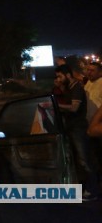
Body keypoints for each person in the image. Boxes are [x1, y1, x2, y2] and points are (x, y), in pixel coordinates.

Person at [55, 64, 100, 201]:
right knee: (80, 160)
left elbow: (74, 108)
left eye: (60, 76)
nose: (58, 79)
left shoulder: (77, 88)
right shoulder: (74, 87)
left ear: (68, 75)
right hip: (78, 127)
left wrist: (55, 106)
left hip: (81, 128)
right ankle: (86, 186)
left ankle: (93, 190)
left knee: (85, 160)